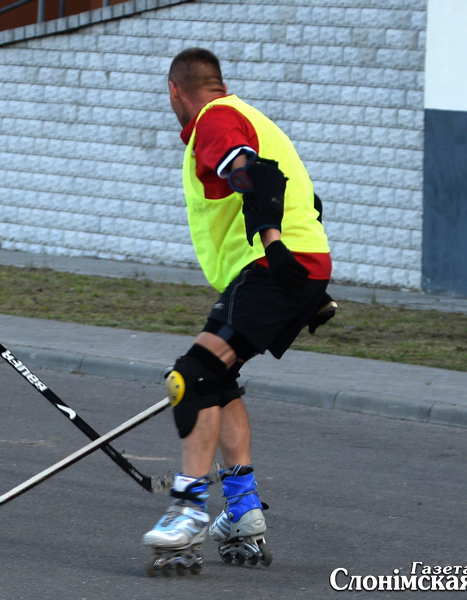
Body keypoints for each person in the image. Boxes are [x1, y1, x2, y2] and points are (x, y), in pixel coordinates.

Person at [142, 48, 334, 574]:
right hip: (292, 270)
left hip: (270, 269)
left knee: (193, 377)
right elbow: (309, 203)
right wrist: (310, 288)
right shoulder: (254, 117)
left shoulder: (215, 118)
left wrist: (273, 246)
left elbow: (255, 175)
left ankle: (186, 510)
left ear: (174, 90)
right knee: (220, 380)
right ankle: (244, 512)